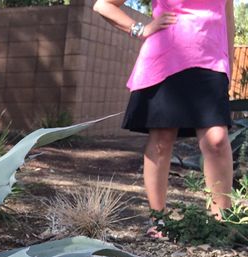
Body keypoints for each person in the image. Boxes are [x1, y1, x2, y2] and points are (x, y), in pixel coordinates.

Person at [93, 0, 235, 233]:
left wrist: (228, 65)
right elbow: (103, 5)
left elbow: (227, 19)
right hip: (165, 58)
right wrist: (140, 29)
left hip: (211, 61)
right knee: (162, 139)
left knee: (217, 140)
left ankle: (221, 223)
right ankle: (159, 220)